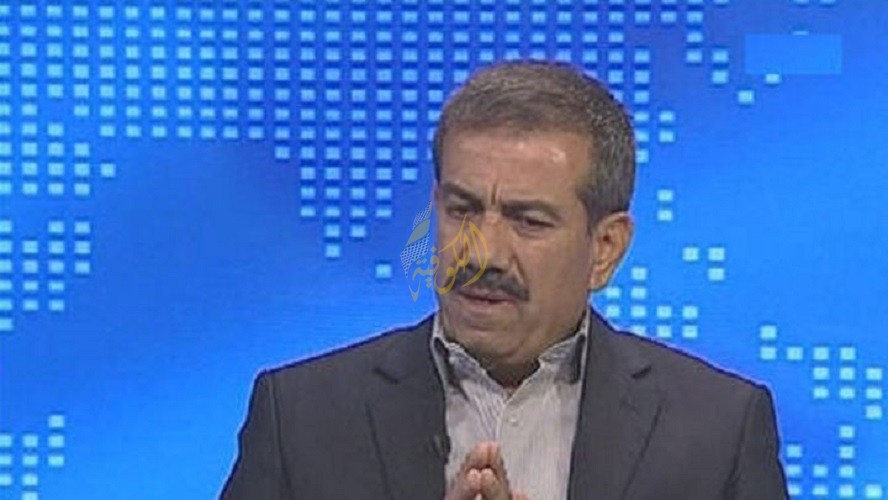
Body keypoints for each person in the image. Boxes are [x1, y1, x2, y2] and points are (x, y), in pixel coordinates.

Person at [221, 60, 788, 499]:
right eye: (462, 209)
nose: (482, 252)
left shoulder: (717, 430)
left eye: (528, 220)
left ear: (605, 248)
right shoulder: (301, 416)